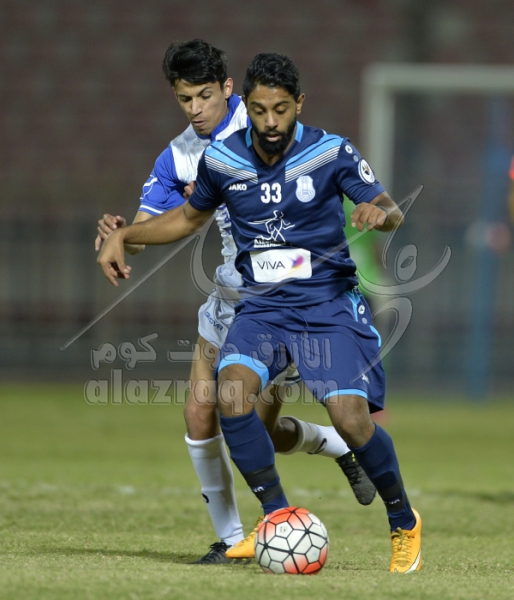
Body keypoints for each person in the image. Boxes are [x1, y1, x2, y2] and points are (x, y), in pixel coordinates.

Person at [97, 51, 422, 573]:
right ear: (246, 106)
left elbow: (391, 209)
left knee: (351, 420)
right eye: (260, 110)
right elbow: (186, 218)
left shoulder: (330, 151)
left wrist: (376, 213)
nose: (270, 121)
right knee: (229, 398)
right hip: (261, 307)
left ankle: (403, 521)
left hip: (326, 304)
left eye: (281, 110)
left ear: (299, 104)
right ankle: (275, 518)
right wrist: (125, 234)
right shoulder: (221, 159)